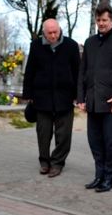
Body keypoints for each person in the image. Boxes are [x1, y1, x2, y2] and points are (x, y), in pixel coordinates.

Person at [77, 3, 112, 193]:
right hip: (93, 101)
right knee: (95, 141)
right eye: (98, 20)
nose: (101, 23)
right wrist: (81, 98)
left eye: (105, 20)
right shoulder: (90, 42)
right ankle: (99, 175)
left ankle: (110, 177)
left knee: (110, 142)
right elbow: (83, 71)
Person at [22, 19, 80, 178]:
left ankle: (57, 163)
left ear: (60, 29)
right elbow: (30, 70)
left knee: (64, 135)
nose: (53, 35)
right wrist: (28, 94)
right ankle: (44, 161)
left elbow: (78, 72)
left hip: (65, 97)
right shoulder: (36, 45)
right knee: (43, 132)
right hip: (42, 98)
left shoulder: (71, 46)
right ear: (44, 32)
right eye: (49, 33)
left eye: (56, 32)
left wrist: (78, 95)